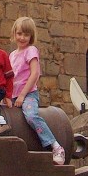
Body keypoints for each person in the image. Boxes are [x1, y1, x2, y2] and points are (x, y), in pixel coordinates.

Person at [9, 16, 65, 165]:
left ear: (31, 36)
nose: (22, 37)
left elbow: (34, 74)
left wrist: (22, 95)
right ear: (14, 34)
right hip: (13, 95)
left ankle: (56, 146)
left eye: (26, 35)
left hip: (28, 94)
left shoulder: (31, 51)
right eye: (19, 33)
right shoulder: (12, 55)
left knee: (31, 116)